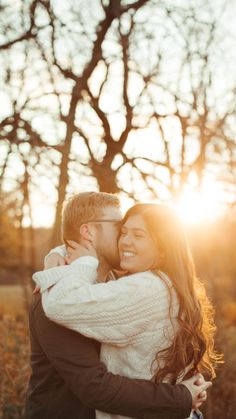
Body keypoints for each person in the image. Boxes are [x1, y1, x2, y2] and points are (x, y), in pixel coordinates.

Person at [31, 193, 216, 419]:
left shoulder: (128, 288)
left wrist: (58, 261)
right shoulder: (53, 299)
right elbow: (96, 388)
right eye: (120, 227)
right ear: (88, 232)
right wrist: (180, 398)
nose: (123, 238)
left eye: (137, 234)